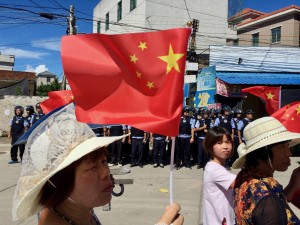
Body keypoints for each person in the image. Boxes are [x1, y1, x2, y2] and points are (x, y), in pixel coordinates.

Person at [12, 104, 183, 225]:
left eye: (104, 161)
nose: (106, 173)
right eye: (92, 167)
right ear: (58, 181)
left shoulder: (81, 211)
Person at [232, 117, 300, 225]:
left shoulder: (245, 178)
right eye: (282, 147)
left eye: (287, 146)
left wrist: (293, 185)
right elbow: (269, 205)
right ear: (264, 151)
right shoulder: (268, 202)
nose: (289, 153)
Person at [202, 126, 236, 225]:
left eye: (228, 142)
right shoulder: (215, 169)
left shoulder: (215, 167)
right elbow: (238, 183)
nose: (225, 146)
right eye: (219, 143)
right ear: (210, 147)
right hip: (219, 221)